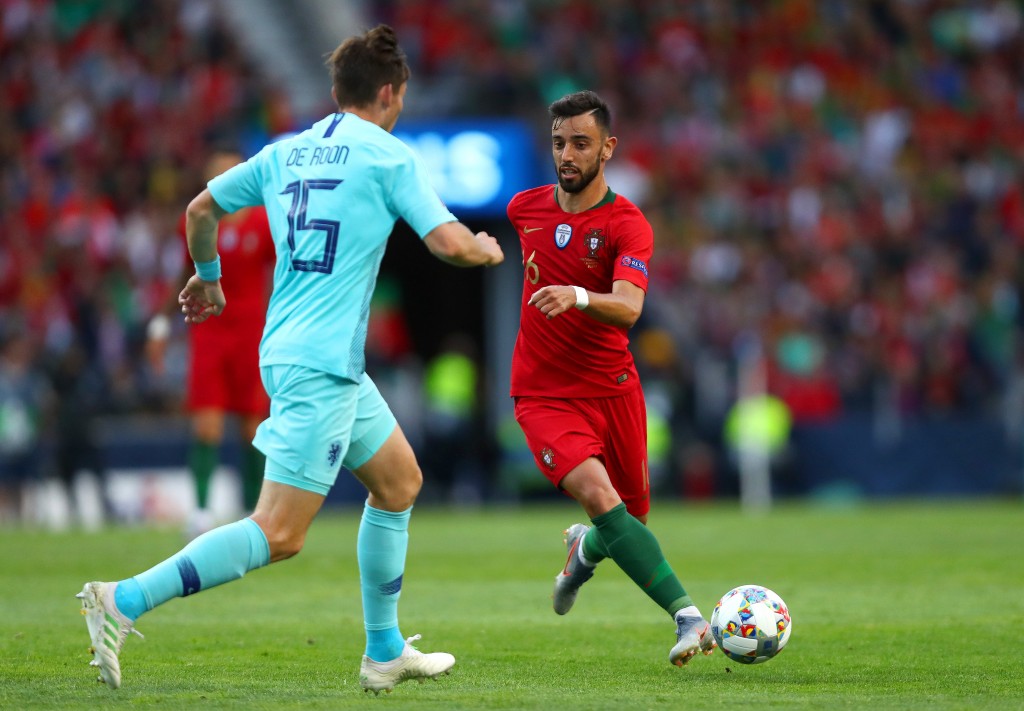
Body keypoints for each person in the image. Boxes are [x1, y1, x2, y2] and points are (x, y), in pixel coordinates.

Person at [76, 24, 504, 694]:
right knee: (278, 532)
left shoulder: (287, 153)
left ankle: (385, 650)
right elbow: (449, 244)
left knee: (398, 482)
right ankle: (122, 599)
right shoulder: (387, 157)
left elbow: (199, 209)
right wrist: (487, 246)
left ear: (337, 92)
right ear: (390, 95)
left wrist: (208, 273)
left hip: (298, 353)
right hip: (321, 365)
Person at [505, 90, 716, 667]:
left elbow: (628, 307)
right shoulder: (524, 210)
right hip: (544, 394)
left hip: (613, 388)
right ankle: (689, 617)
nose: (566, 155)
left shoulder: (628, 224)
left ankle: (582, 552)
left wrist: (575, 295)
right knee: (600, 497)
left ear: (608, 148)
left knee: (629, 521)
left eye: (580, 143)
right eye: (558, 143)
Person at [146, 149, 275, 537]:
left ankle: (255, 510)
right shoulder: (200, 221)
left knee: (254, 429)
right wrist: (159, 326)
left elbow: (282, 275)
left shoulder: (264, 223)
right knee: (207, 426)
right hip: (208, 332)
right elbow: (181, 275)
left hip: (252, 334)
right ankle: (201, 510)